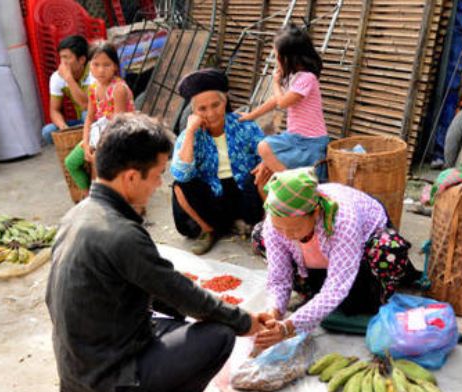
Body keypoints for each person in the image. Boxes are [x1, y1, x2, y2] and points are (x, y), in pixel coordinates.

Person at [46, 113, 261, 392]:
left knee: (178, 317)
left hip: (82, 370)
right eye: (158, 175)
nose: (159, 185)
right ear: (131, 177)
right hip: (105, 377)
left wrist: (183, 310)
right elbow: (181, 293)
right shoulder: (121, 234)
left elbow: (162, 291)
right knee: (219, 336)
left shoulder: (79, 214)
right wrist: (246, 322)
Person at [252, 168, 415, 349]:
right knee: (260, 236)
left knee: (388, 249)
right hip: (318, 259)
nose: (288, 235)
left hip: (360, 256)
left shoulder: (343, 219)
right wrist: (273, 312)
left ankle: (375, 300)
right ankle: (312, 296)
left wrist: (289, 327)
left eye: (295, 229)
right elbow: (279, 279)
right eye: (280, 229)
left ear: (315, 213)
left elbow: (336, 288)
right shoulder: (275, 223)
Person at [171, 68, 265, 255]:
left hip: (242, 194)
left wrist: (264, 164)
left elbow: (265, 153)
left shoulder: (243, 124)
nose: (211, 113)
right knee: (180, 184)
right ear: (193, 111)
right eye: (202, 109)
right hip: (213, 198)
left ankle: (262, 228)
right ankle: (209, 230)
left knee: (264, 171)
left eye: (216, 105)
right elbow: (181, 172)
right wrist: (190, 131)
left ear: (225, 101)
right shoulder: (190, 134)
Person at [238, 24, 329, 184]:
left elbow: (282, 102)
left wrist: (275, 82)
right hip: (296, 138)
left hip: (310, 143)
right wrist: (250, 116)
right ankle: (290, 181)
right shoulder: (293, 77)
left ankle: (293, 184)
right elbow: (274, 101)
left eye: (276, 56)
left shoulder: (307, 78)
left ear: (288, 58)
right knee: (266, 156)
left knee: (263, 147)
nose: (275, 61)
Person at [65, 41, 134, 192]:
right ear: (89, 65)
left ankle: (104, 197)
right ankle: (87, 195)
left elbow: (118, 125)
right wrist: (86, 141)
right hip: (98, 135)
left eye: (106, 65)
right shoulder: (93, 88)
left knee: (99, 170)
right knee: (71, 162)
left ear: (115, 66)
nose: (101, 70)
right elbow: (89, 117)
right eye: (96, 64)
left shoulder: (118, 89)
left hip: (119, 137)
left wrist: (98, 149)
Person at [42, 35, 94, 145]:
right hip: (81, 122)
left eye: (67, 58)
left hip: (98, 119)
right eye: (61, 58)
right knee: (48, 131)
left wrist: (69, 79)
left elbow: (86, 105)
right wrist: (63, 127)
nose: (63, 63)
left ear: (81, 60)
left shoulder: (93, 71)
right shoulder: (57, 77)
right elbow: (54, 110)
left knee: (86, 114)